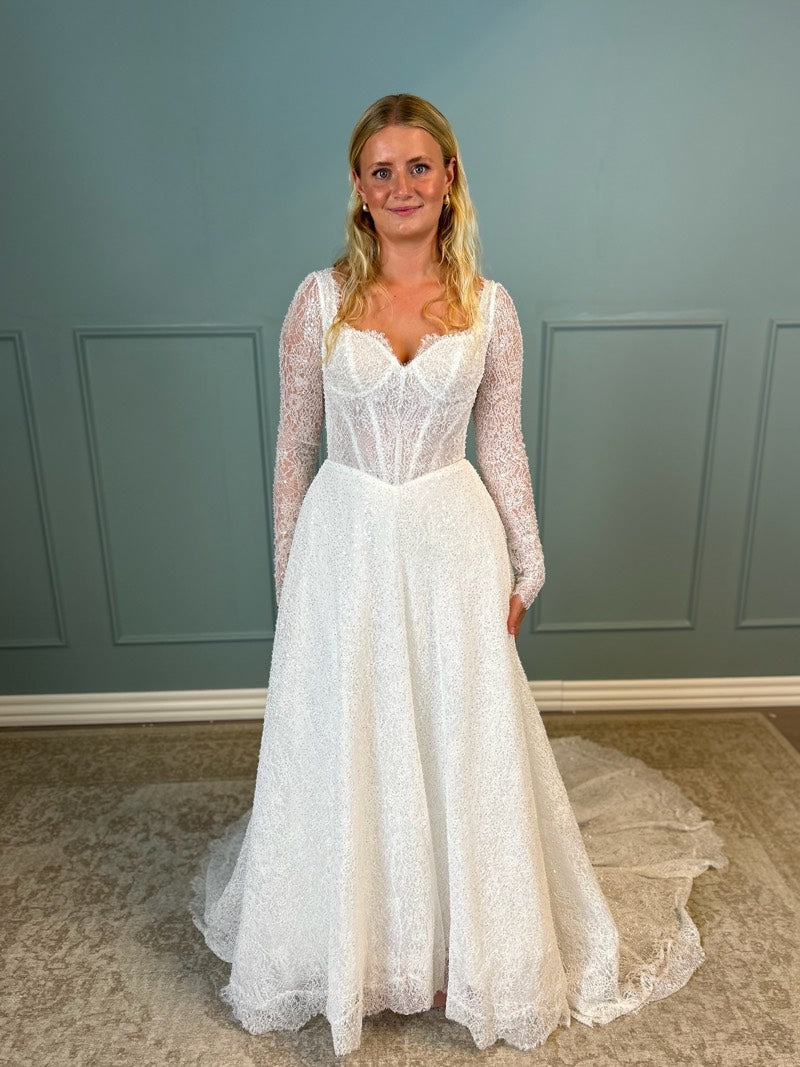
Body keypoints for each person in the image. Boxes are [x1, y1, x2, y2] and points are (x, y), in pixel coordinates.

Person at [190, 93, 728, 1057]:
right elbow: (293, 449)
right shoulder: (318, 301)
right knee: (357, 734)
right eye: (382, 170)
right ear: (359, 188)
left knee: (455, 736)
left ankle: (457, 949)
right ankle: (358, 947)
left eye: (419, 167)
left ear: (449, 180)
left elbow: (502, 444)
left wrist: (530, 563)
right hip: (347, 540)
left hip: (451, 539)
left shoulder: (490, 307)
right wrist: (291, 582)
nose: (402, 185)